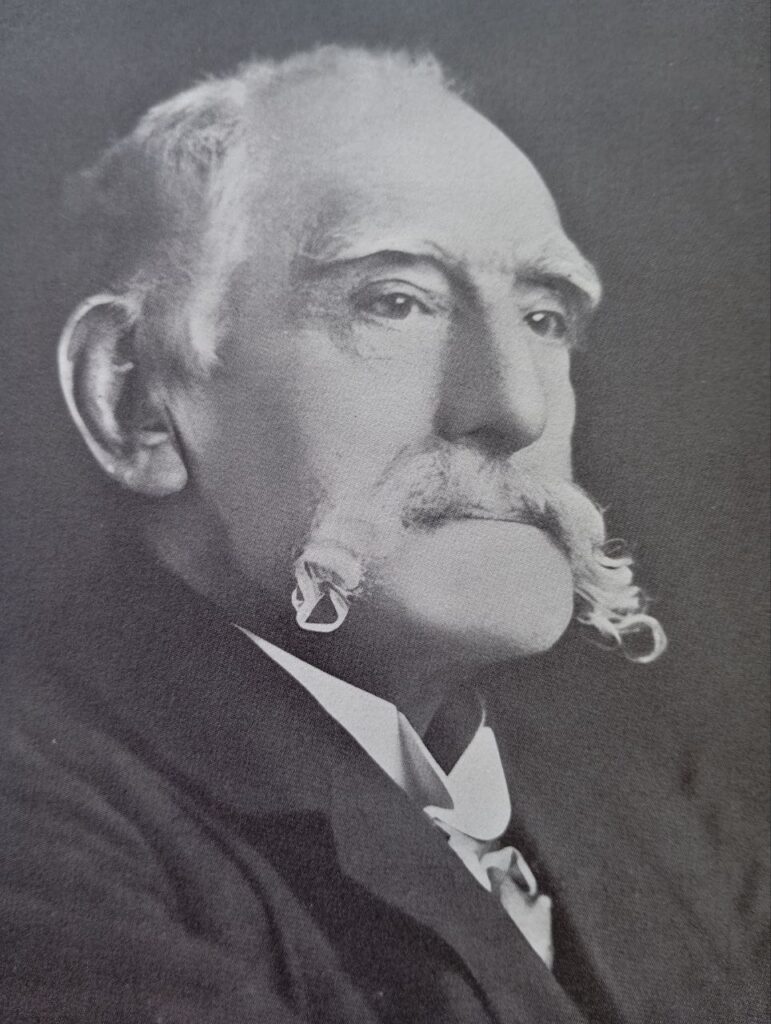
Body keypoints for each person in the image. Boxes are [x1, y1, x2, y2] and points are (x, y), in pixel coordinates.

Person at [0, 46, 764, 1023]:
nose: (517, 407)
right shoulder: (40, 826)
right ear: (138, 400)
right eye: (394, 302)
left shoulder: (654, 800)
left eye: (543, 316)